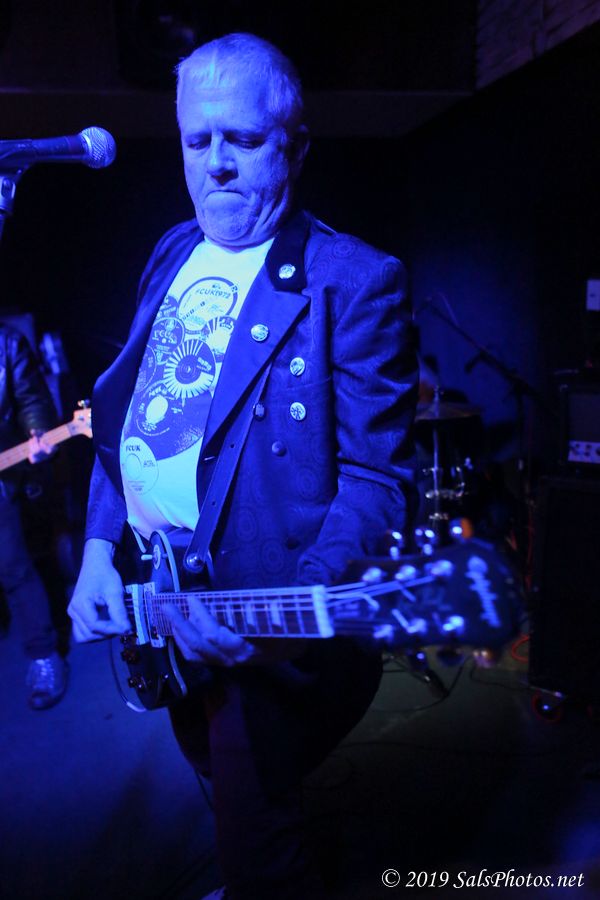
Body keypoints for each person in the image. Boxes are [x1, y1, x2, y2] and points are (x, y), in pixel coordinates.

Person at [68, 33, 418, 898]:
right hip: (157, 600)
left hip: (257, 630)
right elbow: (128, 418)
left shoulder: (353, 280)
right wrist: (98, 549)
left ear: (294, 145)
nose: (217, 163)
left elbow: (379, 484)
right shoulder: (170, 251)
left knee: (261, 848)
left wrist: (286, 611)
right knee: (217, 781)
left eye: (244, 139)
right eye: (197, 140)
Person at [0, 322, 68, 709]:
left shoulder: (6, 342)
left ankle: (44, 655)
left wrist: (39, 433)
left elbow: (31, 399)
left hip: (4, 476)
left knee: (14, 570)